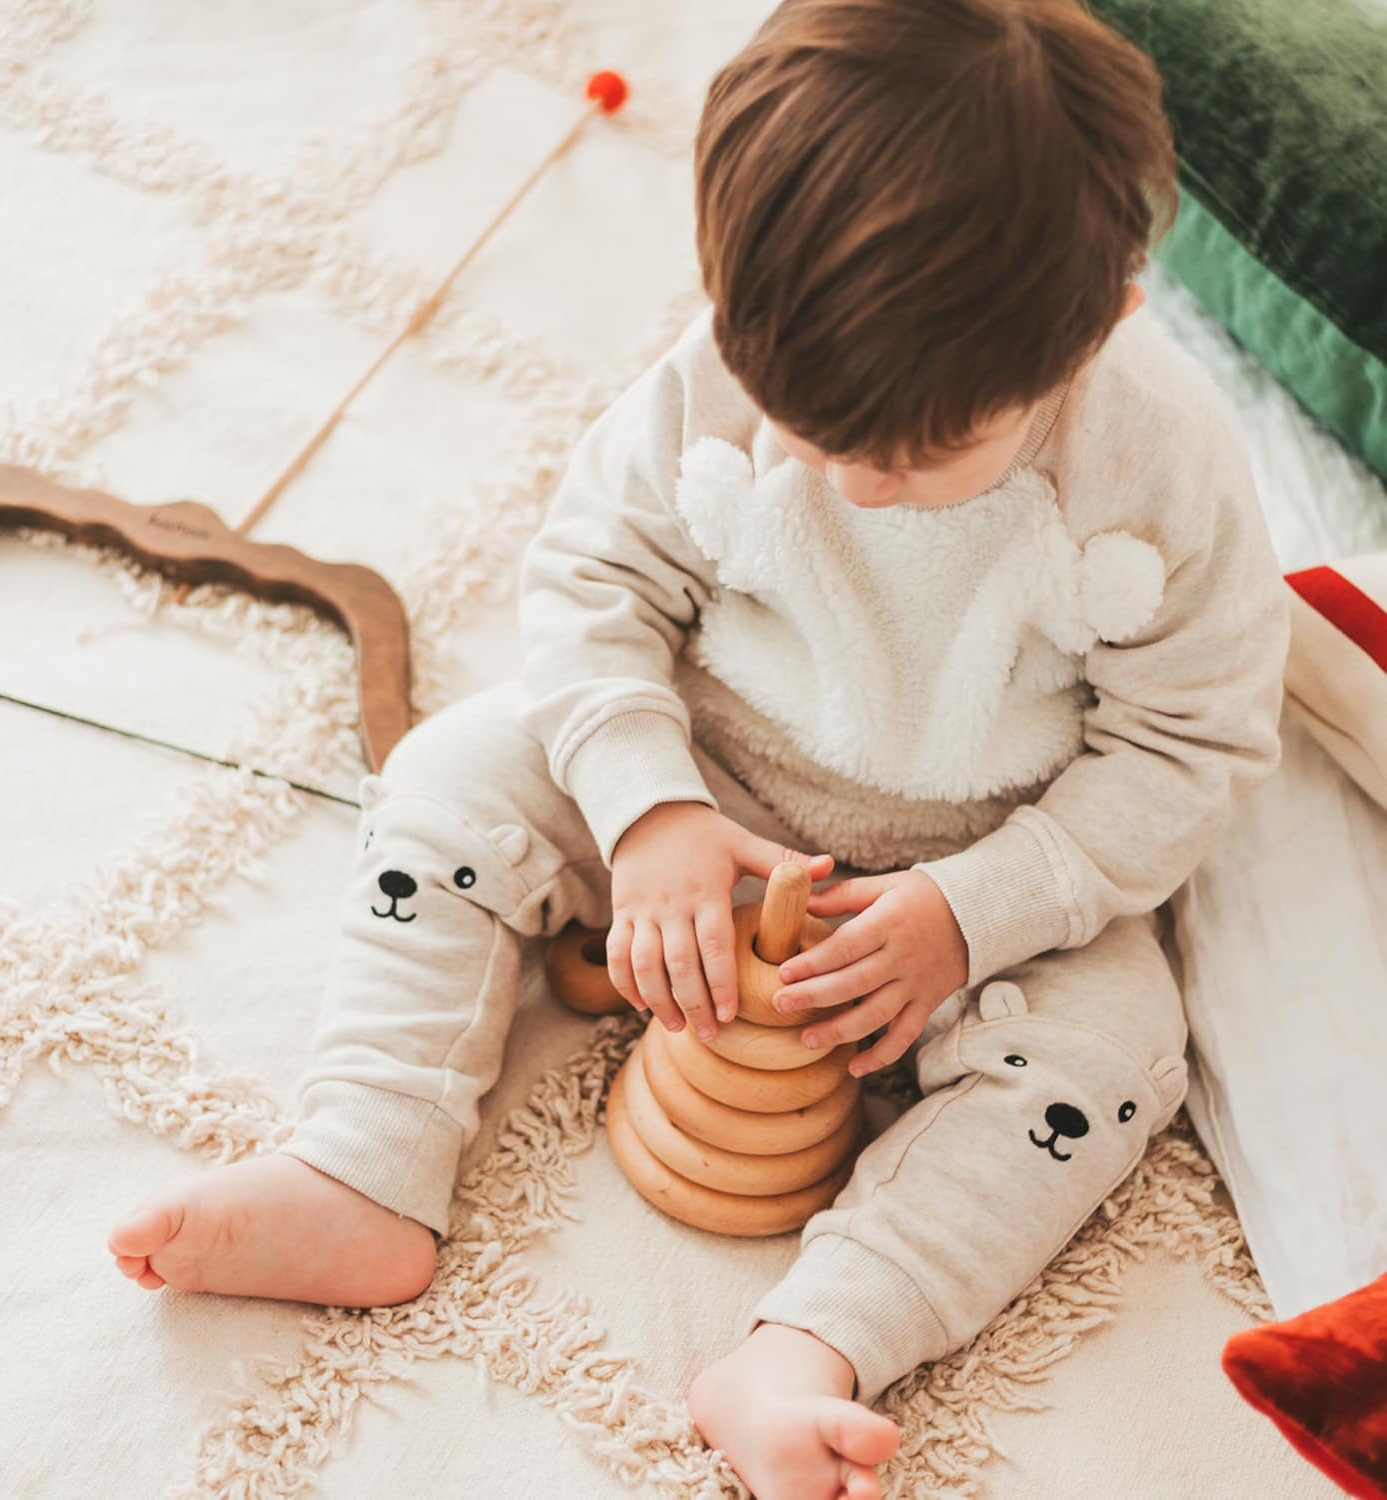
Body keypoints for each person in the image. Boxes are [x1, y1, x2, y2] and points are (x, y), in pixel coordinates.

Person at [108, 1, 1290, 1494]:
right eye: (812, 434)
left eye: (919, 455)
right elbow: (590, 584)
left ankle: (813, 1346)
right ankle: (362, 1160)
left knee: (1116, 1054)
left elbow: (1192, 749)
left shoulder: (1163, 466)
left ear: (1102, 322)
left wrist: (975, 910)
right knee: (453, 774)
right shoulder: (716, 372)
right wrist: (646, 808)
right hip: (709, 771)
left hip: (977, 862)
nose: (854, 487)